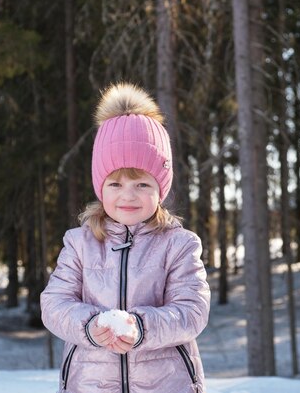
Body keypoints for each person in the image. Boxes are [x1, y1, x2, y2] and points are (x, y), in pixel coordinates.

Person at [41, 83, 211, 393]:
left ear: (160, 188)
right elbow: (55, 304)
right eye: (115, 184)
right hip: (90, 385)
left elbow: (192, 312)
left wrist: (141, 327)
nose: (128, 196)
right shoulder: (79, 244)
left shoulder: (180, 245)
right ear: (100, 187)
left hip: (166, 385)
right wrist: (91, 325)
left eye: (142, 184)